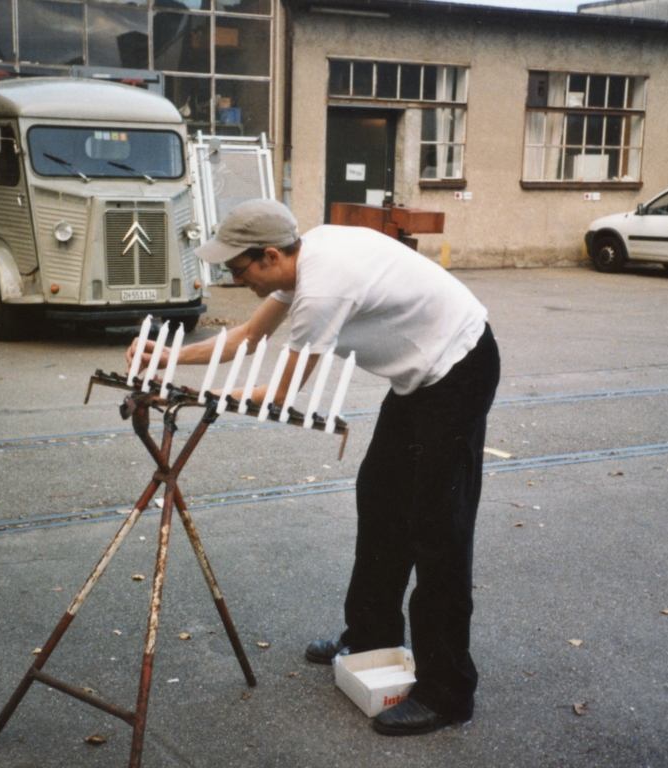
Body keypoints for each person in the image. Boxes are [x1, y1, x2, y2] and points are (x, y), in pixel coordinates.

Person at [126, 199, 499, 736]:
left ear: (271, 255)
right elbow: (245, 339)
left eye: (239, 270)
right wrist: (166, 360)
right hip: (418, 379)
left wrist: (190, 393)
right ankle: (370, 637)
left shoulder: (323, 288)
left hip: (459, 367)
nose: (237, 281)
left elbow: (278, 395)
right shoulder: (301, 259)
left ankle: (448, 693)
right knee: (380, 497)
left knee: (438, 528)